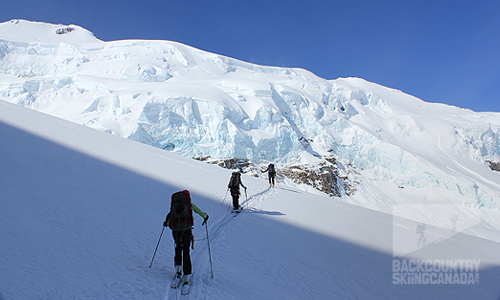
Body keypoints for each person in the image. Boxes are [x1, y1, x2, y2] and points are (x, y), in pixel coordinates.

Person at [163, 190, 209, 285]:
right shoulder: (189, 204)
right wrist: (205, 216)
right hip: (186, 230)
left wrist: (166, 223)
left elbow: (170, 217)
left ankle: (178, 270)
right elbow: (199, 211)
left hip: (175, 231)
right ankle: (187, 274)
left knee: (178, 248)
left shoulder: (175, 204)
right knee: (186, 252)